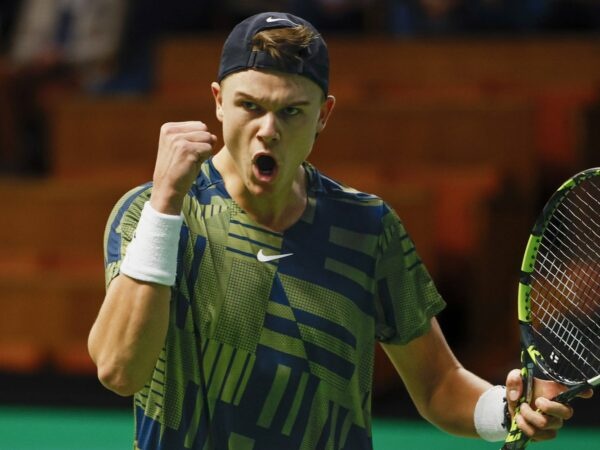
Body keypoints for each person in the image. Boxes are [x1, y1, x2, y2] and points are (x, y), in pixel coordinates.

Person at [88, 11, 585, 450]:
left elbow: (438, 384)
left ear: (324, 115)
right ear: (218, 102)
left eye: (291, 112)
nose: (268, 129)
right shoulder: (149, 214)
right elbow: (118, 370)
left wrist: (508, 411)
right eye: (250, 106)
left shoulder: (368, 228)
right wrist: (166, 205)